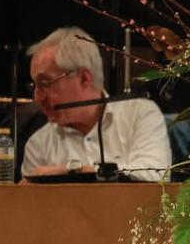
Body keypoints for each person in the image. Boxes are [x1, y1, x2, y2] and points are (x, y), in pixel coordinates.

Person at [23, 26, 171, 181]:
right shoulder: (38, 144)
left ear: (84, 78)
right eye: (34, 86)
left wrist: (71, 171)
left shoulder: (140, 115)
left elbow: (154, 177)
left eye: (45, 83)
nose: (37, 98)